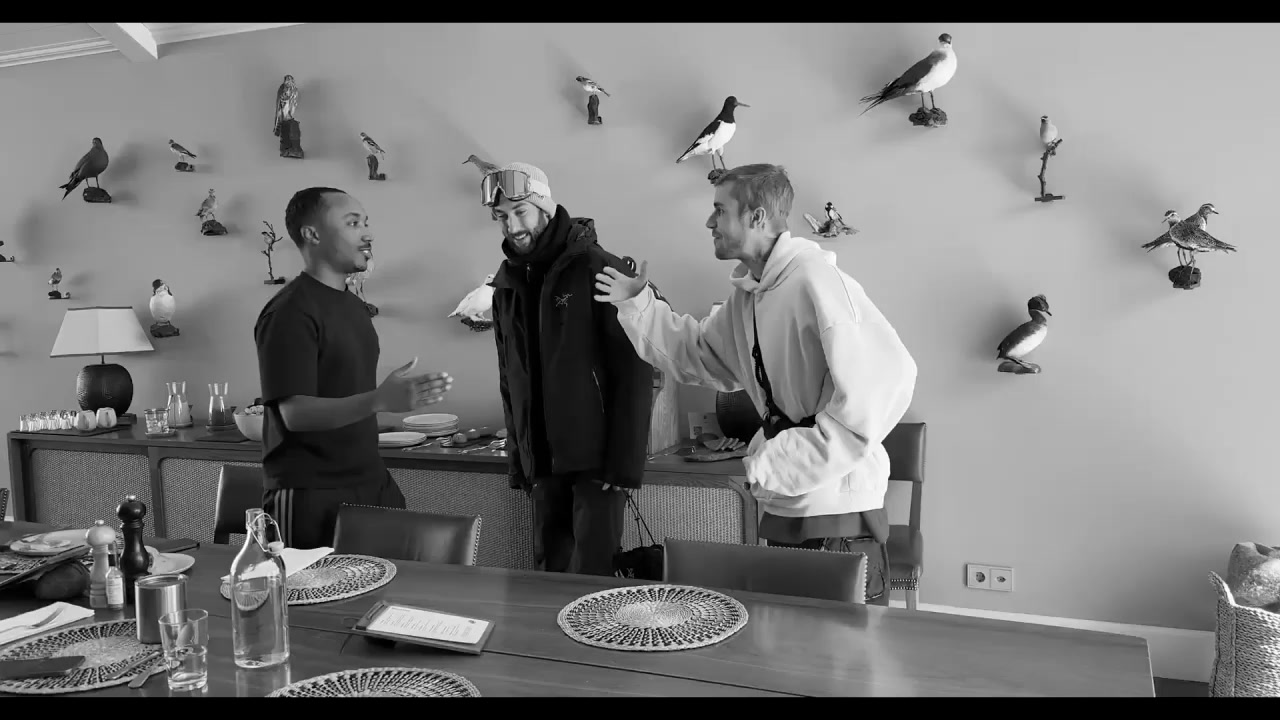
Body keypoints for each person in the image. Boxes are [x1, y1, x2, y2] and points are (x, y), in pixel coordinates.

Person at [593, 164, 917, 603]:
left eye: (720, 211)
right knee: (783, 641)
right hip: (788, 505)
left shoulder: (816, 282)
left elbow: (888, 378)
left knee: (832, 647)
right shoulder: (751, 296)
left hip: (837, 513)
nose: (709, 222)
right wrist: (640, 304)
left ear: (757, 217)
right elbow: (701, 355)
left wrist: (793, 455)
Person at [254, 187, 453, 549]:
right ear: (312, 234)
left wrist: (383, 399)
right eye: (353, 223)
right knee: (309, 589)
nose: (368, 233)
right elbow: (295, 414)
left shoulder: (353, 307)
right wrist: (380, 399)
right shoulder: (289, 312)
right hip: (309, 494)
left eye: (365, 222)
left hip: (371, 481)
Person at [482, 162, 656, 576]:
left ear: (545, 207)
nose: (512, 227)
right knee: (549, 576)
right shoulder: (506, 286)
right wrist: (519, 458)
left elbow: (634, 368)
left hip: (597, 464)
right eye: (502, 216)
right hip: (542, 464)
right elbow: (510, 379)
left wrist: (624, 463)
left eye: (520, 212)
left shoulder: (600, 268)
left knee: (592, 579)